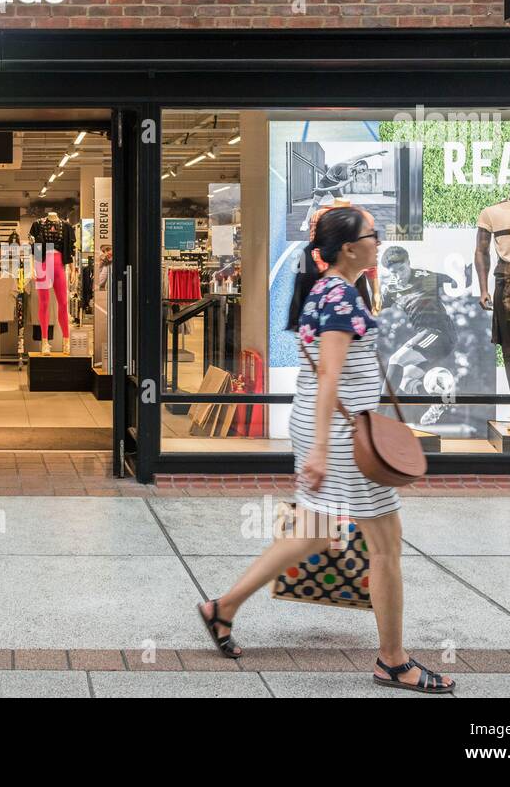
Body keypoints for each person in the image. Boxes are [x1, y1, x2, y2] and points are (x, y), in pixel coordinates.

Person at [196, 206, 454, 694]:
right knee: (386, 546)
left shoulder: (332, 290)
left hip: (331, 430)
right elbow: (329, 375)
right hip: (343, 438)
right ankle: (394, 661)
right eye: (372, 236)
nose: (379, 242)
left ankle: (222, 607)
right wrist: (318, 450)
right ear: (349, 247)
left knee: (313, 532)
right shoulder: (338, 297)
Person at [380, 246, 459, 426]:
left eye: (402, 269)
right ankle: (440, 400)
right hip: (427, 338)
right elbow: (376, 308)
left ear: (409, 263)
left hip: (440, 333)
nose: (399, 275)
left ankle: (378, 415)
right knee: (406, 382)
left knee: (396, 359)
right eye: (394, 272)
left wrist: (463, 276)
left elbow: (455, 282)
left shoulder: (426, 277)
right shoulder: (391, 289)